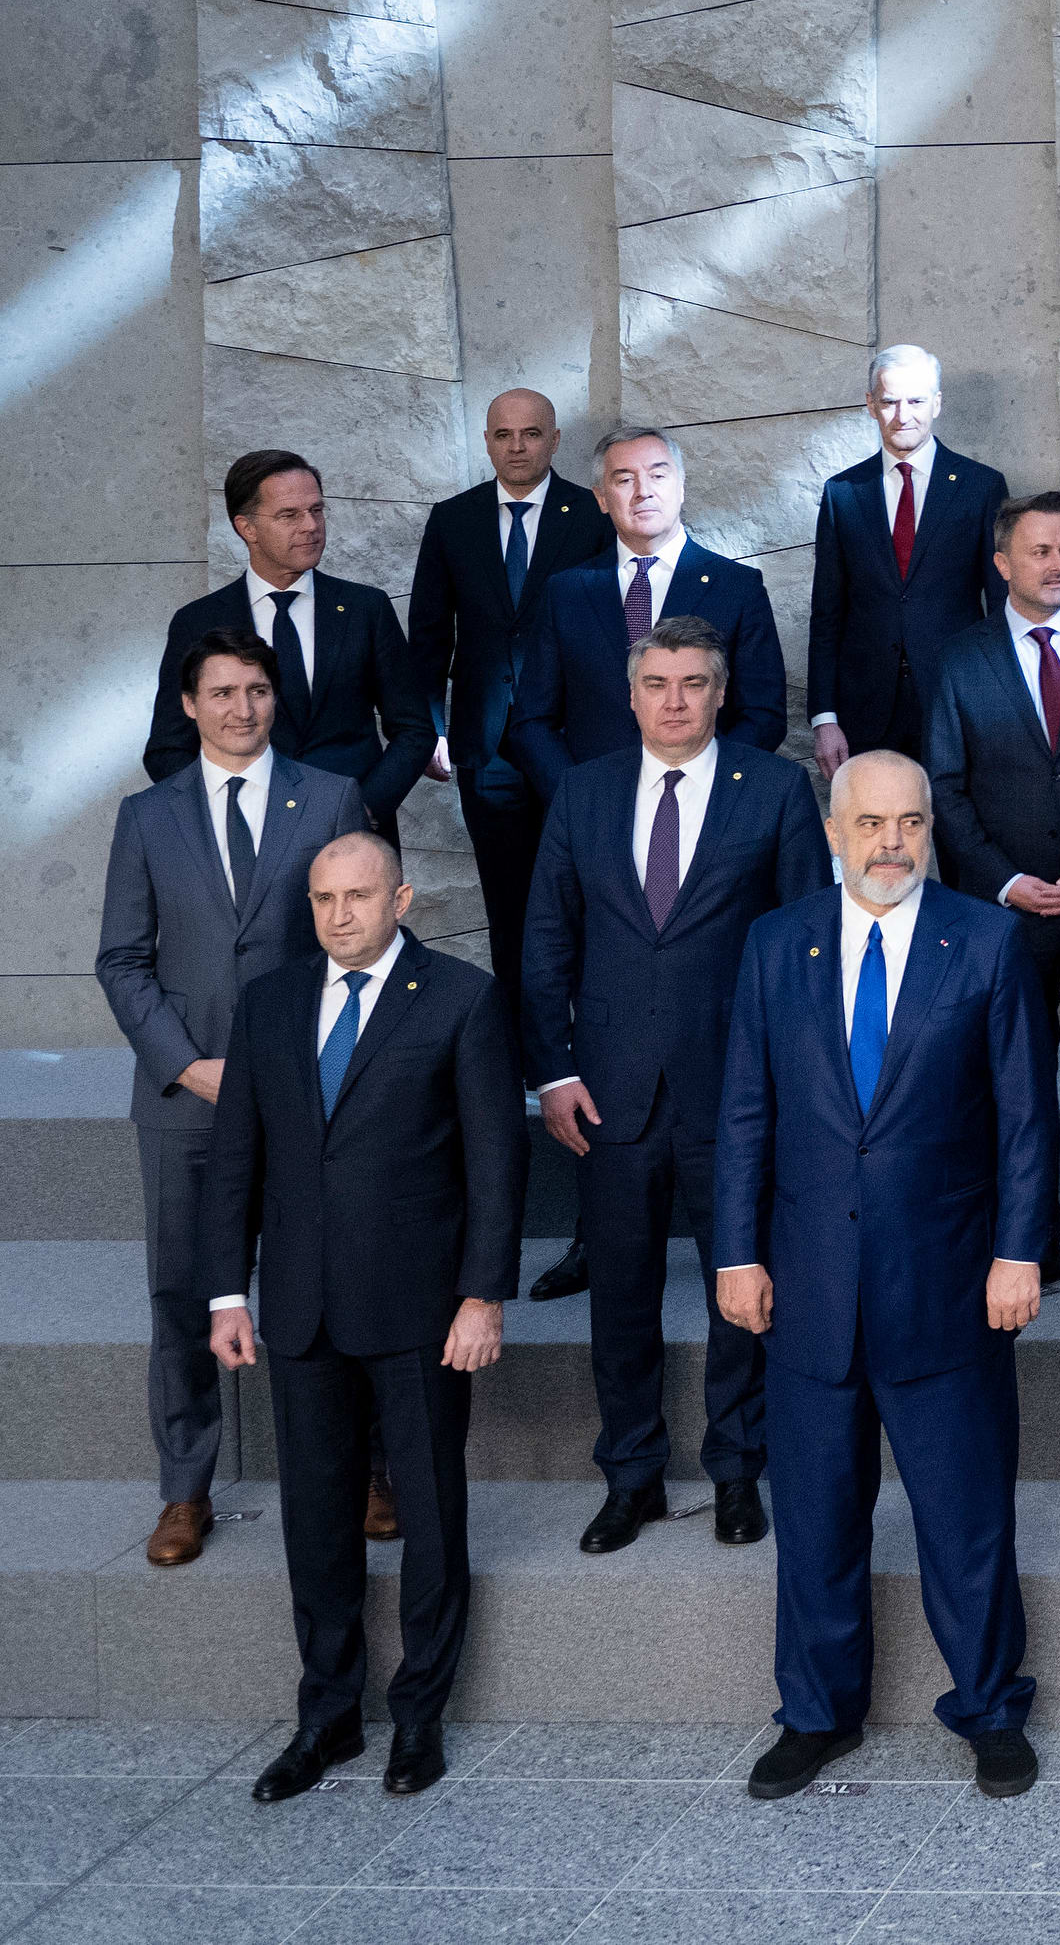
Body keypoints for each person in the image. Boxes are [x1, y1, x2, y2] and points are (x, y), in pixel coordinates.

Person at [713, 751, 1055, 1803]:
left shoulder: (986, 939)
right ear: (833, 831)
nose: (892, 842)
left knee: (964, 1519)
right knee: (815, 1518)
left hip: (948, 1284)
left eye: (909, 822)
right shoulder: (778, 944)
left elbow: (1022, 1118)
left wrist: (1017, 1251)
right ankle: (816, 1714)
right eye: (871, 824)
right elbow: (744, 1113)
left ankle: (991, 1707)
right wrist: (737, 1253)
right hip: (807, 1286)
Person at [200, 832, 522, 1802]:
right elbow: (237, 1160)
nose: (341, 915)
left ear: (402, 898)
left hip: (422, 1309)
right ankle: (328, 1717)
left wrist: (482, 1295)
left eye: (360, 895)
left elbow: (496, 1164)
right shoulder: (271, 1004)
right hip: (300, 1309)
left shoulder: (461, 1000)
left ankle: (417, 1718)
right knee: (316, 1522)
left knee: (429, 1514)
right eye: (324, 898)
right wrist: (227, 1291)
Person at [522, 615, 827, 1555]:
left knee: (741, 1286)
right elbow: (544, 941)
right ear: (631, 692)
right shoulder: (583, 790)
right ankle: (632, 1474)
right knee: (620, 1291)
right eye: (657, 683)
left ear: (721, 692)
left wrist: (788, 1086)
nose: (675, 700)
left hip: (736, 1092)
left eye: (694, 683)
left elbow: (808, 947)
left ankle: (739, 1470)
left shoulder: (774, 789)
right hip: (608, 1091)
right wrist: (554, 1071)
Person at [95, 631, 372, 1568]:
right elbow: (122, 958)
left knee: (338, 1282)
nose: (242, 708)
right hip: (186, 1098)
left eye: (257, 690)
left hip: (311, 1092)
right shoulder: (147, 817)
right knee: (180, 1291)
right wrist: (188, 1063)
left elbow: (361, 939)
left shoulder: (330, 796)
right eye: (222, 692)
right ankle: (184, 1488)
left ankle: (368, 1469)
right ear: (188, 704)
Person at [405, 388, 612, 1065]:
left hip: (572, 742)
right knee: (511, 896)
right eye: (503, 434)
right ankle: (531, 1051)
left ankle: (597, 1039)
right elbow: (430, 632)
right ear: (487, 442)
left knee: (589, 891)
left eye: (530, 433)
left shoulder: (591, 512)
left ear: (554, 441)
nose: (516, 446)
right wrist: (430, 725)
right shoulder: (454, 519)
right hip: (486, 746)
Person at [927, 490, 1060, 1030]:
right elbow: (943, 785)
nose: (1058, 565)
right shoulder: (958, 659)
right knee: (1019, 1066)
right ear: (1002, 564)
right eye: (1041, 551)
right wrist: (1006, 880)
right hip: (1004, 906)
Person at [145, 448, 434, 842]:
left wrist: (362, 809)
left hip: (354, 839)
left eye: (316, 510)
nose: (311, 526)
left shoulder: (366, 608)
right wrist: (224, 814)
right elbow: (167, 747)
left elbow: (414, 729)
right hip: (245, 842)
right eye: (289, 515)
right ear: (246, 527)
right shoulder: (198, 622)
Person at [503, 422, 790, 787]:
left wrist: (707, 785)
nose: (643, 492)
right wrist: (577, 795)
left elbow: (763, 714)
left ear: (681, 486)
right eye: (624, 480)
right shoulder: (566, 592)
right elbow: (532, 721)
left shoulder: (736, 587)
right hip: (596, 811)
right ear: (602, 499)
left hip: (707, 810)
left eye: (657, 475)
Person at [807, 344, 1005, 770]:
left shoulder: (980, 486)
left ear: (937, 403)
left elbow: (1001, 608)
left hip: (957, 700)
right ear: (870, 404)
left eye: (916, 401)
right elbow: (827, 615)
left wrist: (997, 703)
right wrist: (824, 718)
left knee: (955, 832)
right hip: (864, 710)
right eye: (890, 401)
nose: (903, 415)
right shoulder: (843, 493)